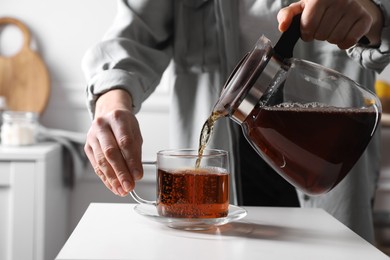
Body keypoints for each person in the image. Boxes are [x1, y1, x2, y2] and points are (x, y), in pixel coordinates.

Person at [82, 0, 390, 244]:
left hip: (330, 154)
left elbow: (379, 17)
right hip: (230, 156)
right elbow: (134, 34)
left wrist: (371, 14)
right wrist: (111, 104)